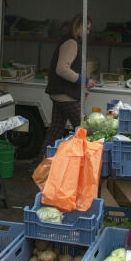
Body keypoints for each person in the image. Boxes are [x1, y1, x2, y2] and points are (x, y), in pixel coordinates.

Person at [37, 13, 98, 161]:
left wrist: (80, 89)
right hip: (64, 95)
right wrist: (84, 81)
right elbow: (62, 69)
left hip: (60, 93)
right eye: (87, 28)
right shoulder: (71, 43)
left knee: (55, 131)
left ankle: (42, 163)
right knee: (86, 129)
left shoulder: (69, 41)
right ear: (79, 26)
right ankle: (90, 164)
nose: (88, 33)